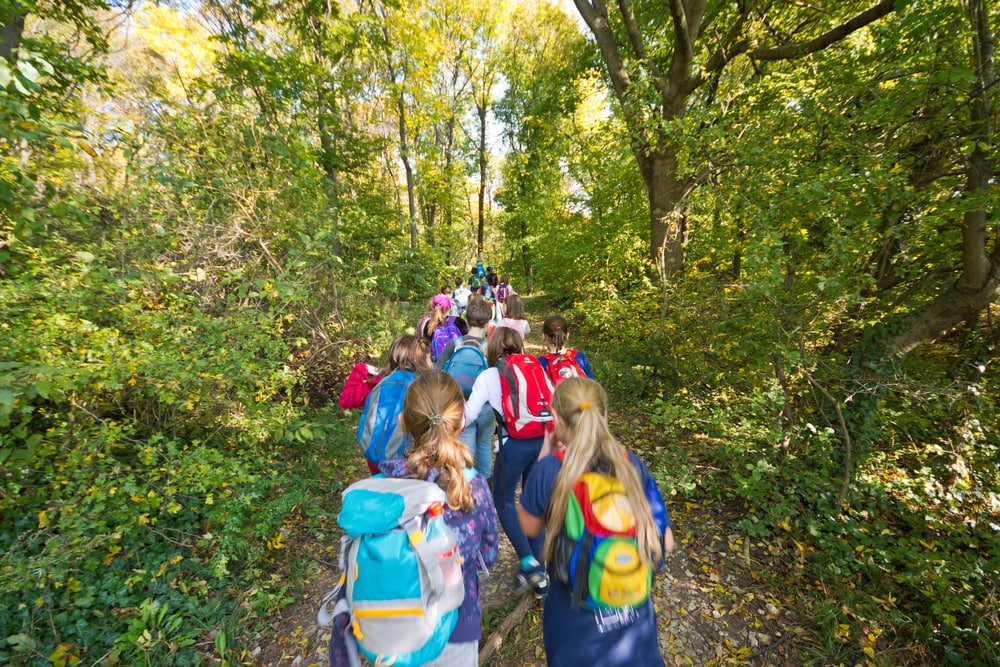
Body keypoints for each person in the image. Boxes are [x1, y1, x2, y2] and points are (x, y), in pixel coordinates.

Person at [517, 377, 675, 667]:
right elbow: (665, 542)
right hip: (636, 623)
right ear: (604, 415)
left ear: (556, 419)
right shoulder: (631, 463)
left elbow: (529, 527)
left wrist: (545, 453)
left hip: (575, 624)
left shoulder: (550, 469)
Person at [380, 371, 499, 666]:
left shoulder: (383, 488)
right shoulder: (473, 486)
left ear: (403, 422)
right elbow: (489, 552)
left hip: (394, 629)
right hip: (456, 625)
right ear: (460, 424)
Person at [464, 327, 549, 598]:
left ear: (493, 347)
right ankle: (542, 578)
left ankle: (528, 561)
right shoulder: (535, 366)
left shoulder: (490, 374)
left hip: (514, 445)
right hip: (542, 440)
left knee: (502, 499)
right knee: (531, 502)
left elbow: (469, 415)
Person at [352, 334, 432, 474]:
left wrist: (361, 369)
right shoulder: (423, 386)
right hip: (408, 462)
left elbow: (347, 400)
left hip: (375, 457)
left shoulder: (381, 382)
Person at [435, 298, 494, 477]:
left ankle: (464, 482)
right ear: (488, 323)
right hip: (485, 406)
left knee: (466, 446)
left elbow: (438, 370)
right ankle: (485, 482)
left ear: (466, 320)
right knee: (484, 444)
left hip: (460, 405)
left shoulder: (455, 344)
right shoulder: (490, 347)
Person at [421, 294, 469, 361]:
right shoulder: (458, 321)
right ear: (449, 308)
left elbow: (426, 347)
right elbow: (468, 340)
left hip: (438, 364)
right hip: (457, 362)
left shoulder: (429, 325)